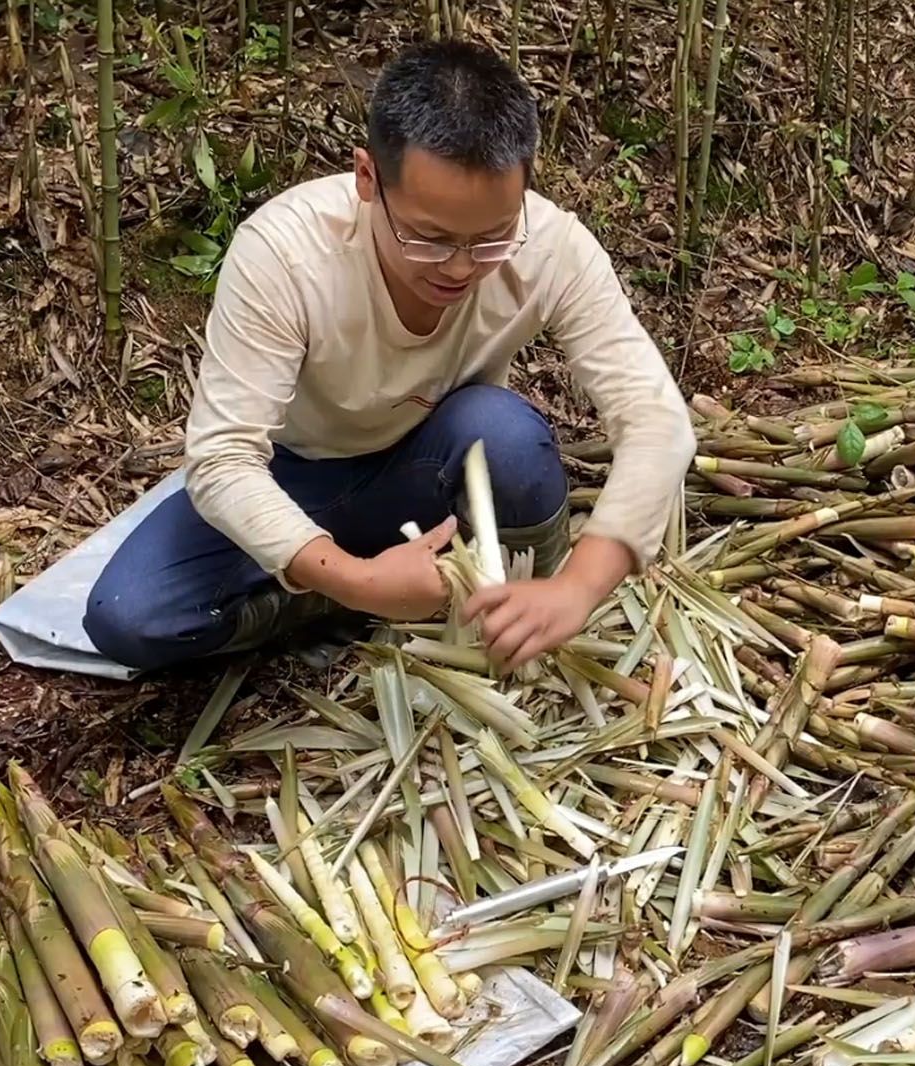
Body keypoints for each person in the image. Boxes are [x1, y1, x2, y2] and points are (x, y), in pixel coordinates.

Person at [83, 39, 695, 674]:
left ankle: (500, 606)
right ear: (368, 178)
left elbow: (656, 420)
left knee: (505, 436)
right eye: (429, 238)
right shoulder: (285, 254)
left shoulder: (552, 248)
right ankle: (350, 597)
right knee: (129, 614)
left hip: (428, 465)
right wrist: (352, 580)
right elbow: (222, 458)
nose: (460, 268)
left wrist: (580, 586)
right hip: (298, 474)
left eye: (489, 239)